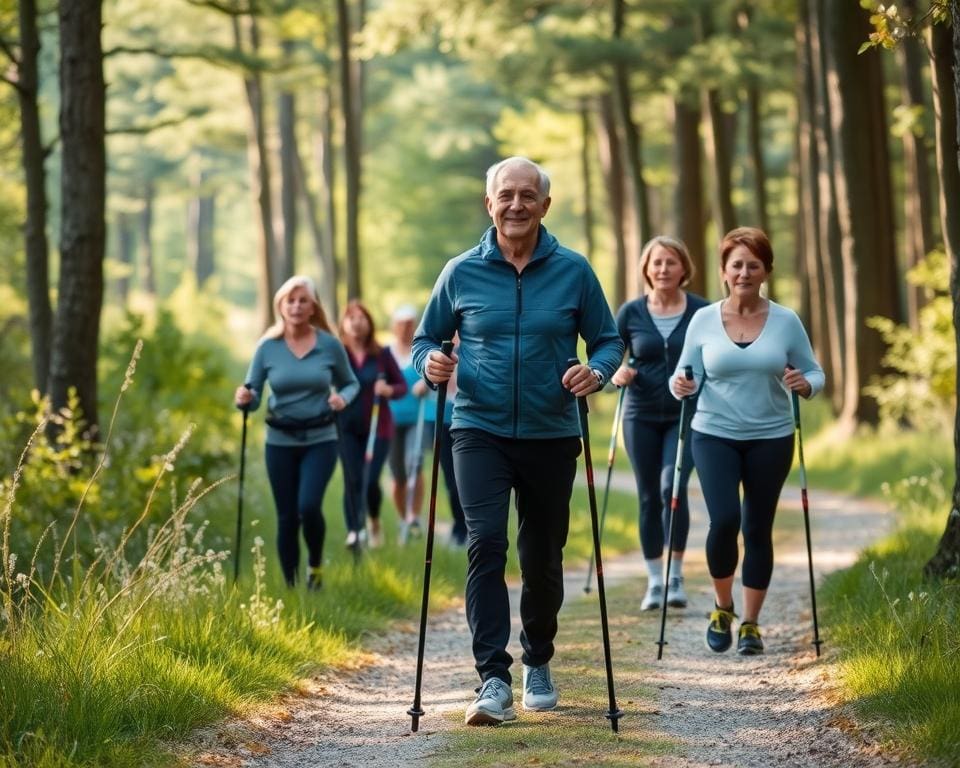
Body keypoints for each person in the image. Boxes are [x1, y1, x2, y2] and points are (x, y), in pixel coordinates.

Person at [412, 156, 624, 725]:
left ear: (545, 206)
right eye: (506, 195)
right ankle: (492, 680)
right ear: (490, 204)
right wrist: (428, 362)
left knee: (542, 555)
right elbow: (425, 337)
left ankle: (538, 659)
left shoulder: (575, 271)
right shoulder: (460, 271)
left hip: (551, 432)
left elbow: (607, 341)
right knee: (485, 543)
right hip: (476, 429)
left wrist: (596, 373)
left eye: (527, 196)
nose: (516, 205)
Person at [671, 227, 824, 656]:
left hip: (771, 437)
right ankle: (723, 607)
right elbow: (684, 374)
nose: (744, 272)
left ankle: (752, 624)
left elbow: (815, 373)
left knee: (758, 527)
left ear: (766, 271)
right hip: (713, 433)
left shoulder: (785, 321)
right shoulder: (702, 320)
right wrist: (680, 386)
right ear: (723, 271)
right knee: (723, 521)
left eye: (752, 265)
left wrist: (805, 385)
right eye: (736, 264)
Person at [234, 275, 359, 589]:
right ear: (281, 305)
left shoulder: (329, 345)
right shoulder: (267, 347)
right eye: (290, 300)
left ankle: (314, 568)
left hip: (321, 438)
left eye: (303, 300)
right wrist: (245, 399)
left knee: (308, 506)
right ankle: (290, 587)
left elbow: (351, 382)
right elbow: (254, 394)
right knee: (287, 516)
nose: (296, 306)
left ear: (313, 306)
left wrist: (341, 398)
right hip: (280, 440)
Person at [611, 236, 709, 612]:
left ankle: (676, 576)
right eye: (657, 263)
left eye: (670, 262)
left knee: (673, 488)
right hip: (640, 415)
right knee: (649, 494)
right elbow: (609, 355)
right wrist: (617, 373)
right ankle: (654, 581)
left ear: (684, 267)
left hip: (686, 414)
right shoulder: (631, 312)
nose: (663, 269)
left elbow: (714, 358)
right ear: (646, 270)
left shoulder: (702, 312)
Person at [338, 300, 407, 548]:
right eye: (351, 318)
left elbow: (401, 387)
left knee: (369, 482)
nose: (357, 323)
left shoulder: (382, 354)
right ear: (344, 324)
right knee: (351, 480)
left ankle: (374, 521)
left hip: (378, 429)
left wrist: (387, 388)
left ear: (369, 323)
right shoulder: (339, 354)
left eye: (362, 318)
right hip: (345, 428)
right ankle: (355, 532)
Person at [413, 332, 467, 547]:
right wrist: (424, 384)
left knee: (465, 481)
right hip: (442, 422)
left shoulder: (471, 350)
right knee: (451, 481)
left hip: (468, 422)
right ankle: (459, 525)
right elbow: (426, 379)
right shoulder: (439, 349)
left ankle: (468, 527)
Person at [387, 304, 427, 543]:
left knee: (415, 463)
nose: (405, 329)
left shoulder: (420, 351)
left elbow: (432, 376)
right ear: (394, 326)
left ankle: (414, 516)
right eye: (401, 325)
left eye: (410, 325)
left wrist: (426, 385)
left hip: (415, 419)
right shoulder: (386, 353)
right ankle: (403, 517)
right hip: (390, 420)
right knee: (397, 474)